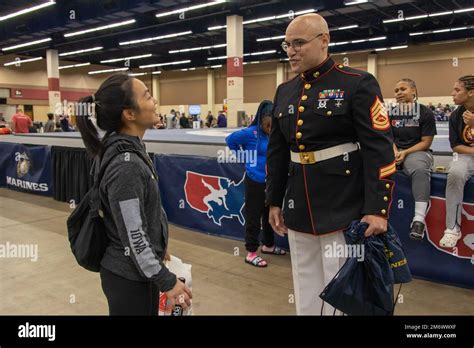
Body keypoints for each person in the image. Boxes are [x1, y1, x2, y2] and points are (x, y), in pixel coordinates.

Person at [266, 13, 395, 315]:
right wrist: (274, 201)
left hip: (344, 206)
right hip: (298, 207)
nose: (291, 51)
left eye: (298, 43)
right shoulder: (285, 91)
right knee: (305, 287)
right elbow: (278, 152)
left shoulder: (357, 83)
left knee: (342, 292)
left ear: (324, 41)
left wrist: (377, 209)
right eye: (287, 45)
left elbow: (380, 150)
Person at [75, 74, 192, 315]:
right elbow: (134, 235)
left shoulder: (123, 148)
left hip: (133, 271)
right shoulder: (125, 165)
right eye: (147, 95)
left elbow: (136, 219)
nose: (155, 100)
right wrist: (167, 280)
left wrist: (158, 244)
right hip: (129, 279)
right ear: (129, 114)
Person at [226, 100, 286, 268]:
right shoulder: (250, 133)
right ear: (261, 120)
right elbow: (230, 140)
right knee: (254, 216)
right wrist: (244, 158)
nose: (270, 128)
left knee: (270, 215)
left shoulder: (273, 134)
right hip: (255, 181)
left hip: (270, 181)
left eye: (273, 125)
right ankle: (251, 252)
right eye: (268, 125)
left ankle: (268, 245)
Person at [391, 78, 436, 239]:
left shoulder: (425, 112)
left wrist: (405, 153)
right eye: (396, 91)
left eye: (403, 89)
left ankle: (418, 220)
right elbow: (387, 138)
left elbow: (426, 142)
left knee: (418, 169)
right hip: (395, 152)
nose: (399, 93)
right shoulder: (390, 113)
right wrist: (395, 151)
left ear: (413, 91)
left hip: (417, 151)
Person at [443, 75, 474, 248]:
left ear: (470, 92)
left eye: (457, 90)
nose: (452, 94)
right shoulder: (456, 115)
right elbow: (456, 146)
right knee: (455, 172)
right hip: (467, 155)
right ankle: (452, 228)